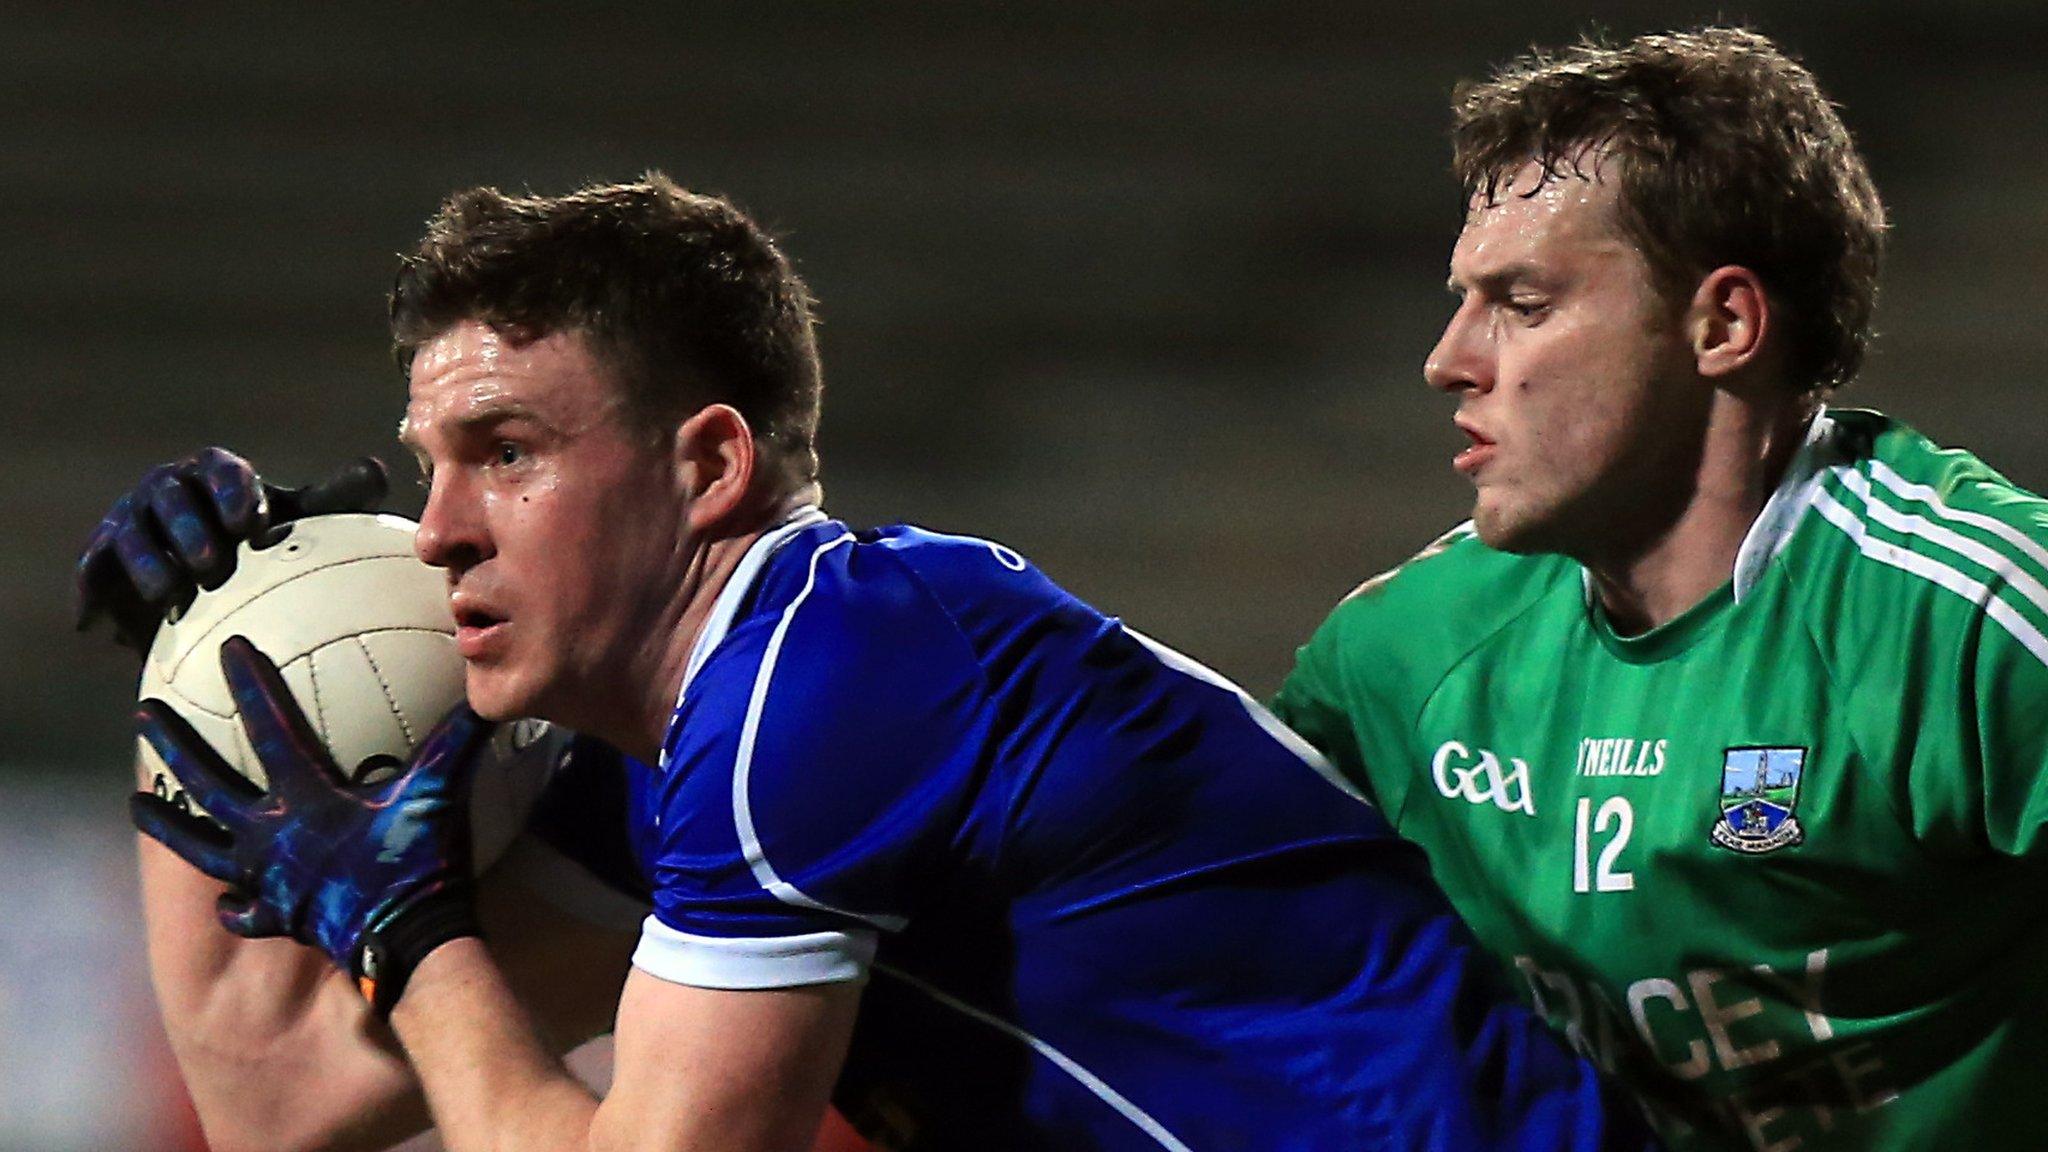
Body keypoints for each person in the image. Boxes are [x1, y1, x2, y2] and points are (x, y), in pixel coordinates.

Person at [81, 176, 1656, 1150]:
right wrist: (206, 650)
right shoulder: (690, 760)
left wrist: (420, 942)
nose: (437, 533)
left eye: (507, 452)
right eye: (431, 464)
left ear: (708, 469)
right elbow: (277, 1099)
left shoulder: (826, 682)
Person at [1272, 26, 2048, 1152]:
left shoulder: (1968, 618)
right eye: (1460, 299)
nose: (1448, 358)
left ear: (1720, 324)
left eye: (1522, 304)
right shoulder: (1399, 658)